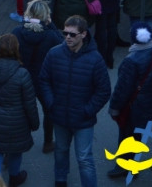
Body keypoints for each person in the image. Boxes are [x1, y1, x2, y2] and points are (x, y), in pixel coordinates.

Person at [38, 15, 111, 187]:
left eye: (72, 34)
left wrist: (88, 110)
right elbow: (44, 80)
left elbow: (104, 90)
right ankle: (60, 181)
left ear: (83, 34)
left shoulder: (95, 59)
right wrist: (51, 103)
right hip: (60, 116)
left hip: (82, 119)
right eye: (65, 33)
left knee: (84, 158)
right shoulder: (54, 54)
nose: (68, 38)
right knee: (61, 151)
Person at [106, 21, 152, 179]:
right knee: (139, 135)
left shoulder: (131, 60)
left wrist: (114, 107)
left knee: (126, 135)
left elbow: (122, 89)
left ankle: (124, 166)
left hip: (134, 106)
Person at [0, 34, 39, 187]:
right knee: (15, 151)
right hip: (17, 122)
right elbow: (30, 103)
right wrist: (34, 123)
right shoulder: (22, 73)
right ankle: (14, 177)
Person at [12, 0, 62, 154]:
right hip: (44, 80)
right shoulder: (52, 36)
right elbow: (63, 47)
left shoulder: (17, 33)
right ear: (46, 16)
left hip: (22, 78)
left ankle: (12, 149)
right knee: (49, 110)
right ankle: (48, 142)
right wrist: (51, 24)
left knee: (17, 111)